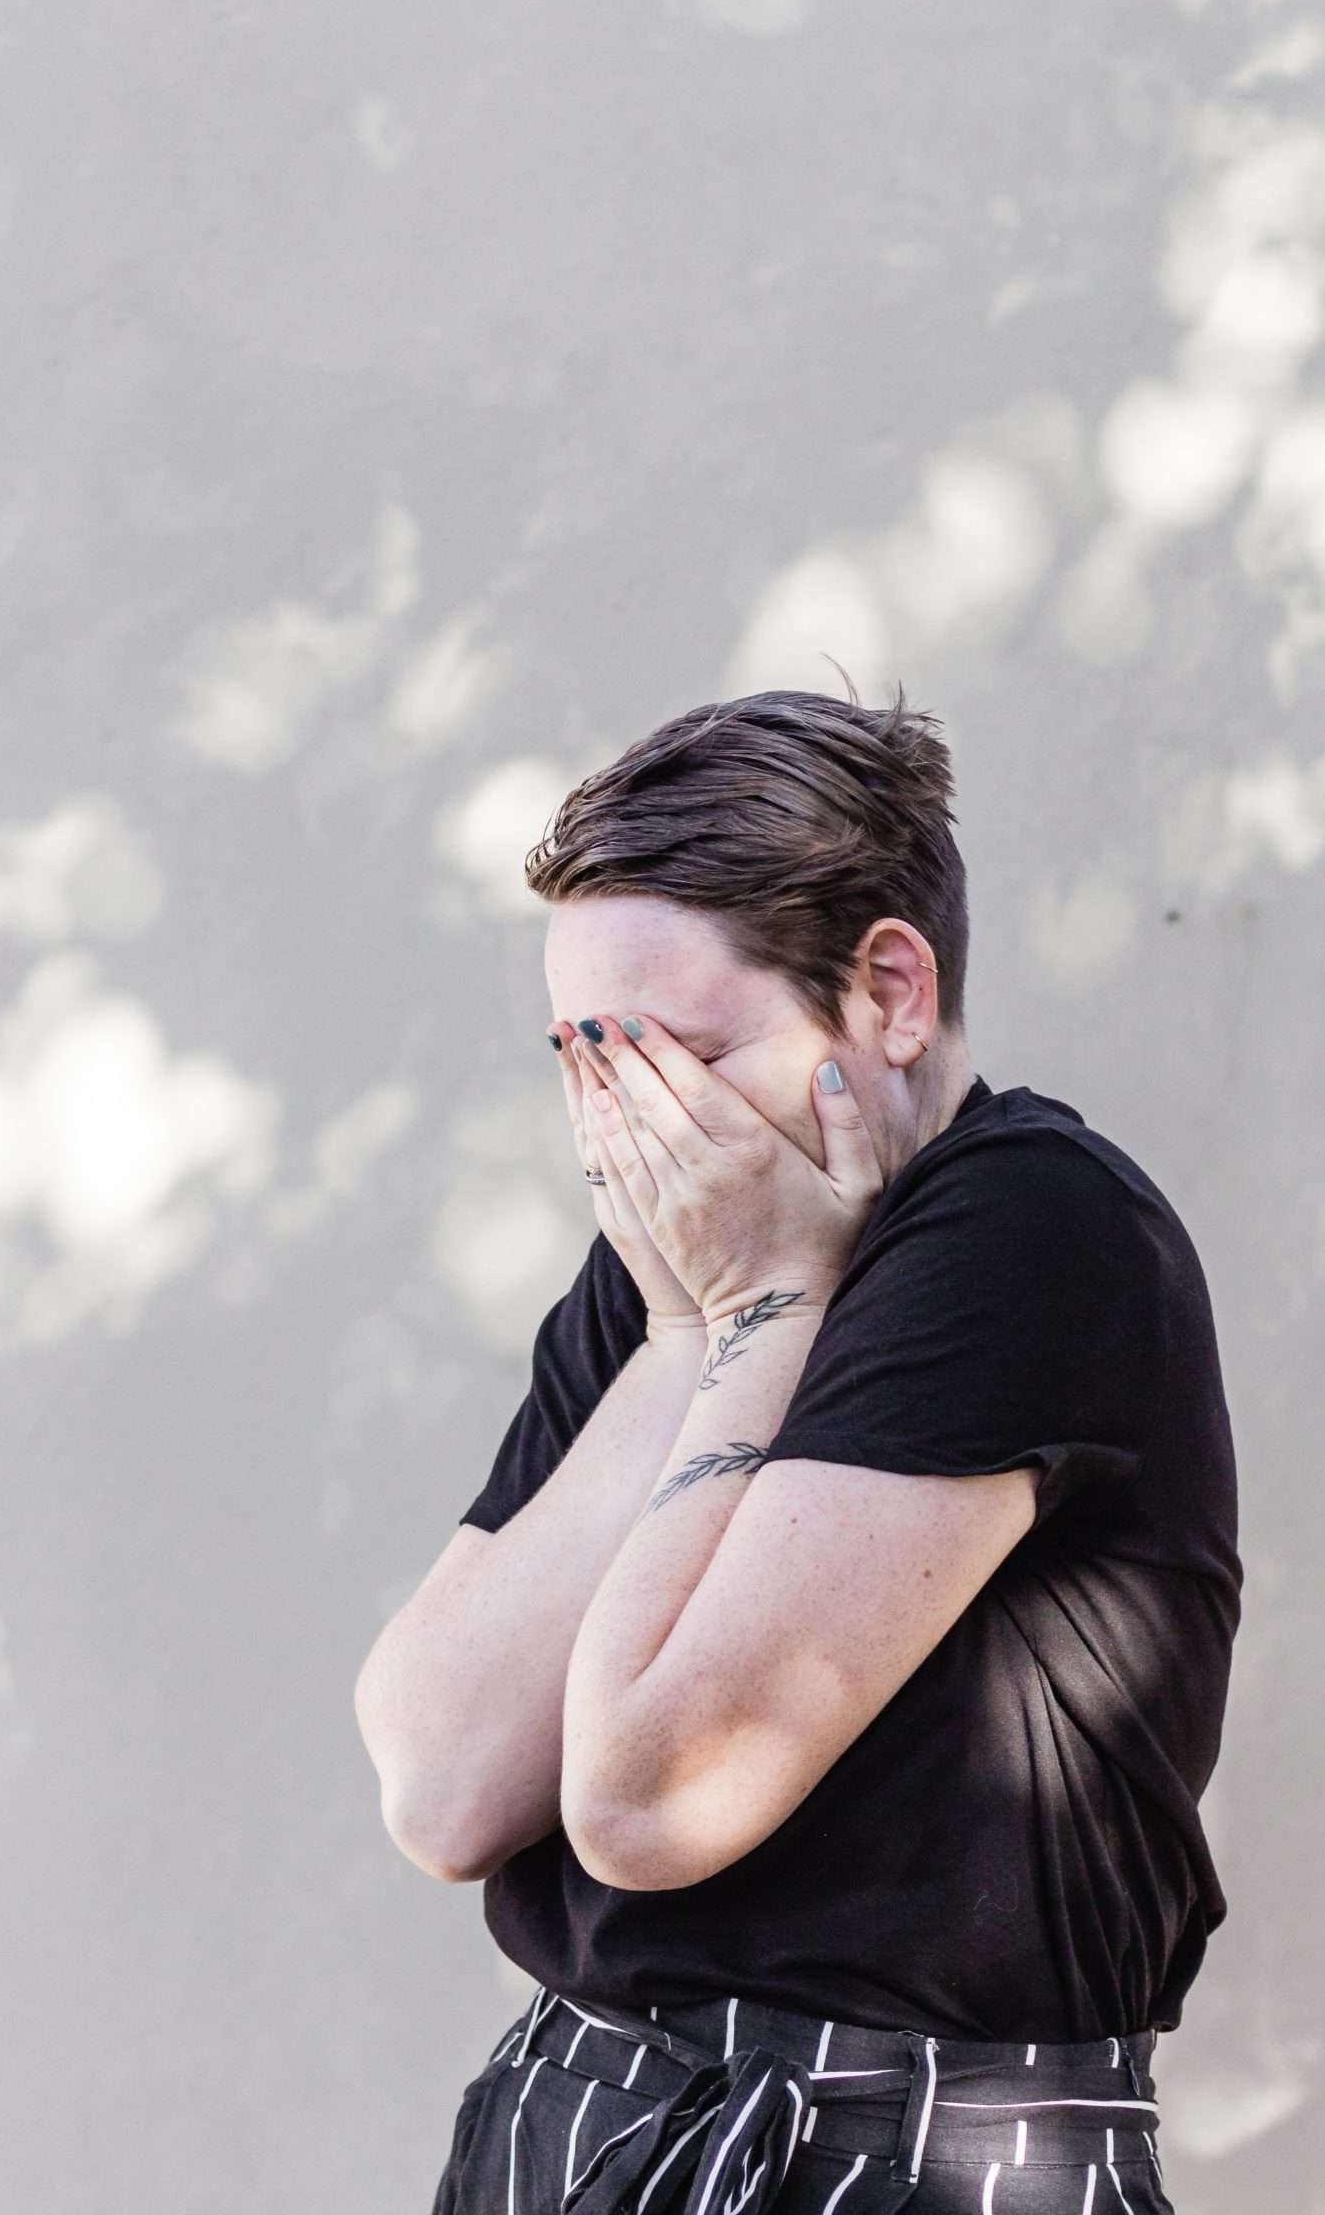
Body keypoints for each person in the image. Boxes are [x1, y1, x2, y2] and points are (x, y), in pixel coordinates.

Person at [354, 682, 1240, 2212]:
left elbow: (649, 1803)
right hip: (592, 2113)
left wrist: (751, 1310)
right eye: (584, 1060)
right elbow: (444, 1786)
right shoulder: (680, 1259)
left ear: (891, 990)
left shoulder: (1031, 1226)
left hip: (901, 2151)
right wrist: (701, 1329)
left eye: (675, 1054)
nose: (619, 1130)